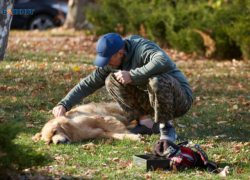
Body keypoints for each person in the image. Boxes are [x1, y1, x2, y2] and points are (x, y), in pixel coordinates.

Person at [52, 33, 193, 142]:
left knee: (156, 80)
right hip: (152, 100)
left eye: (108, 60)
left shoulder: (141, 48)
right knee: (111, 80)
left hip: (178, 100)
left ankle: (166, 128)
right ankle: (147, 124)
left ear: (120, 53)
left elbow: (164, 61)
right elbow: (89, 83)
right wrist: (65, 104)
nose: (106, 64)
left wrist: (133, 74)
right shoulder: (111, 63)